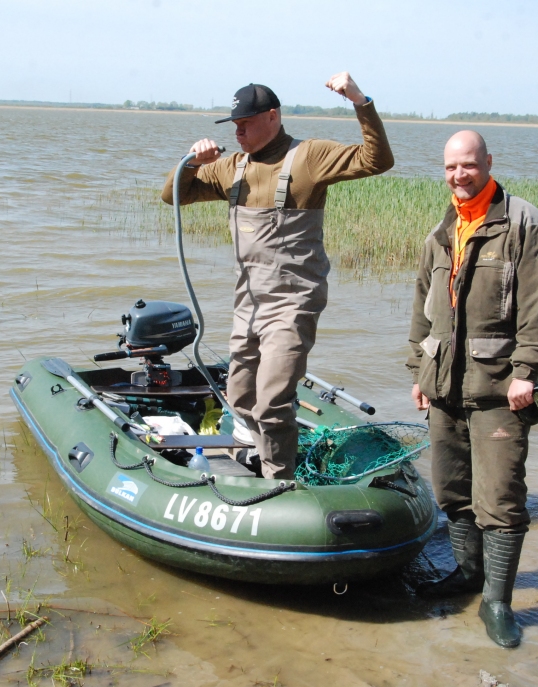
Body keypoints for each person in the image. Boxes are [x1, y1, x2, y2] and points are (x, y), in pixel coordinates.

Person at [163, 73, 394, 480]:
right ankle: (262, 450)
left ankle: (280, 480)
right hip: (247, 304)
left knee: (271, 400)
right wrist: (190, 163)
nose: (239, 133)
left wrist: (360, 100)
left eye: (246, 124)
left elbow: (377, 161)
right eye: (234, 126)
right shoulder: (229, 168)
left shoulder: (309, 157)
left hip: (293, 303)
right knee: (238, 394)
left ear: (272, 117)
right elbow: (172, 196)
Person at [406, 130, 538, 648]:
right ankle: (467, 576)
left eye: (468, 166)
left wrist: (528, 369)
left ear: (488, 163)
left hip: (500, 388)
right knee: (452, 492)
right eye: (451, 167)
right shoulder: (440, 232)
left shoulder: (524, 223)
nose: (459, 175)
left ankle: (497, 603)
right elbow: (422, 311)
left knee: (500, 498)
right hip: (442, 386)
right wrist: (417, 374)